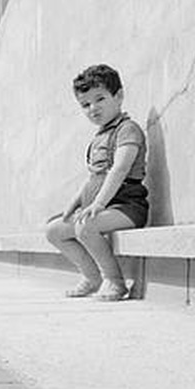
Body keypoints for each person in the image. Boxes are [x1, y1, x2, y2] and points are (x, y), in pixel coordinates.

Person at [45, 64, 148, 301]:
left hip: (126, 208)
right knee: (55, 230)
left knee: (86, 226)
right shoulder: (99, 136)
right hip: (100, 208)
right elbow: (94, 177)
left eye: (99, 99)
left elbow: (119, 169)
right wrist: (73, 205)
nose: (93, 108)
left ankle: (114, 280)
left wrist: (99, 204)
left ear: (119, 96)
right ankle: (92, 278)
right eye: (85, 104)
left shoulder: (127, 130)